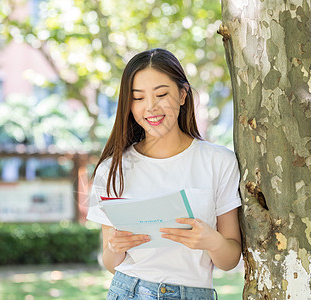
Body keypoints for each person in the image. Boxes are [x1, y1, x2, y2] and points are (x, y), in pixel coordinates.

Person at [87, 48, 242, 300]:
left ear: (183, 94)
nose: (150, 107)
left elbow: (230, 259)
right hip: (129, 290)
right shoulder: (112, 169)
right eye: (137, 98)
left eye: (161, 94)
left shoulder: (218, 161)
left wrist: (211, 241)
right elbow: (110, 262)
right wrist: (116, 247)